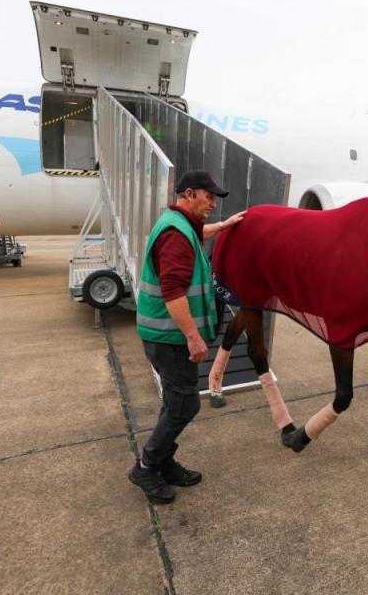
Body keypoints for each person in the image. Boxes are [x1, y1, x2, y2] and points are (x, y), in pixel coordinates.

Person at [128, 171, 245, 503]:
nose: (213, 203)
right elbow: (173, 291)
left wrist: (223, 226)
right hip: (170, 337)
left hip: (162, 333)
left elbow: (197, 236)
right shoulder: (177, 234)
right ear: (189, 193)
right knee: (185, 405)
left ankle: (163, 462)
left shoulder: (178, 224)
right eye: (209, 197)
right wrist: (194, 337)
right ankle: (145, 466)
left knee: (174, 403)